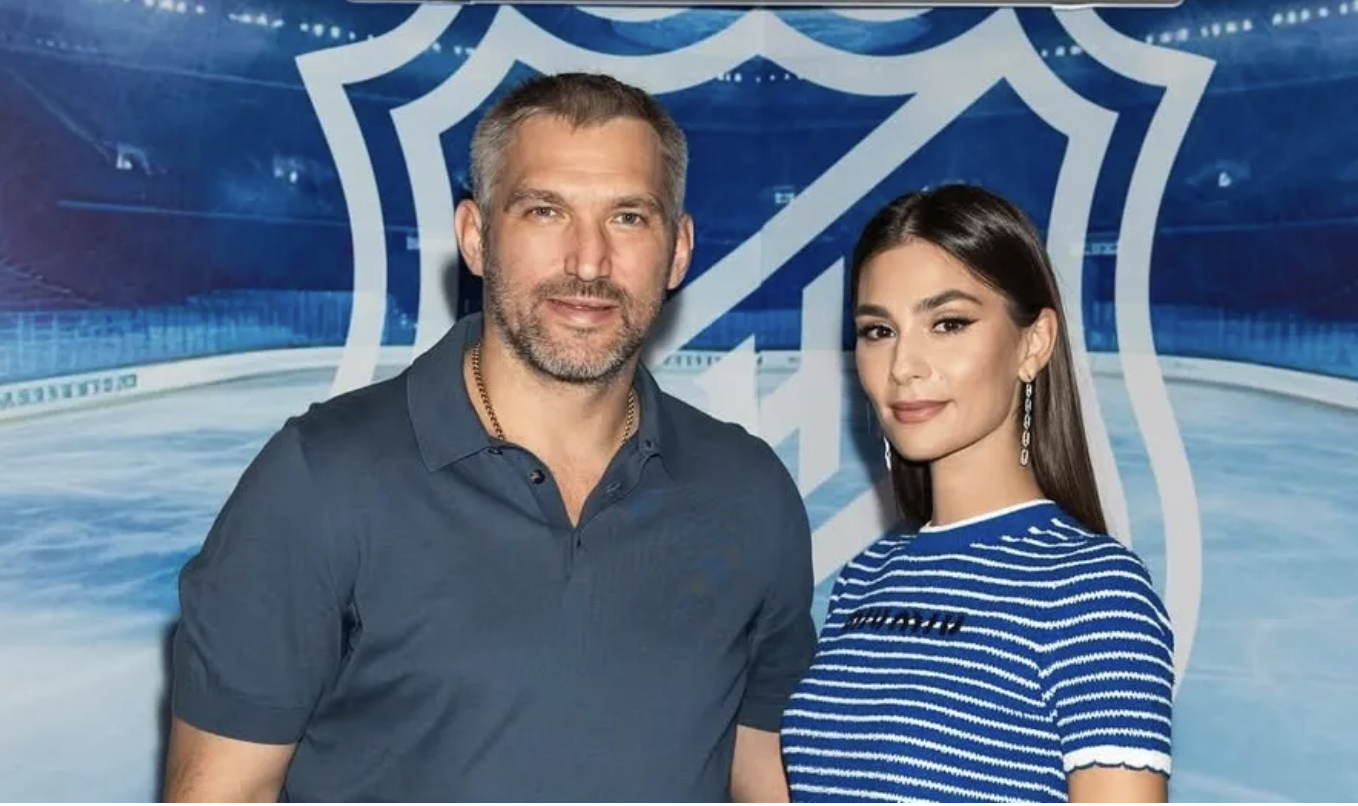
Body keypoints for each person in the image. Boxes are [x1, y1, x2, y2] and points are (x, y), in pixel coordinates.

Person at [163, 72, 816, 803]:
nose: (589, 261)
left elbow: (765, 774)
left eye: (629, 217)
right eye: (545, 211)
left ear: (680, 249)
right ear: (475, 237)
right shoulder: (321, 479)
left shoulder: (748, 491)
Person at [780, 185, 1175, 803]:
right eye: (878, 330)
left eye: (948, 324)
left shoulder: (1095, 595)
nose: (903, 365)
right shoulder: (862, 580)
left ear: (1033, 343)